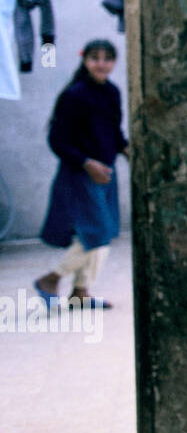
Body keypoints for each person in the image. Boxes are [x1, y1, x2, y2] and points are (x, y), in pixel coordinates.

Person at [33, 39, 129, 310]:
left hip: (105, 173)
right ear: (85, 60)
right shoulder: (75, 95)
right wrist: (87, 163)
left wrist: (128, 153)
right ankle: (51, 279)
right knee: (96, 232)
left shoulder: (112, 92)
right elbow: (57, 140)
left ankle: (81, 292)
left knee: (104, 233)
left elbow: (115, 133)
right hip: (80, 175)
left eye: (108, 58)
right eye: (95, 58)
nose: (102, 64)